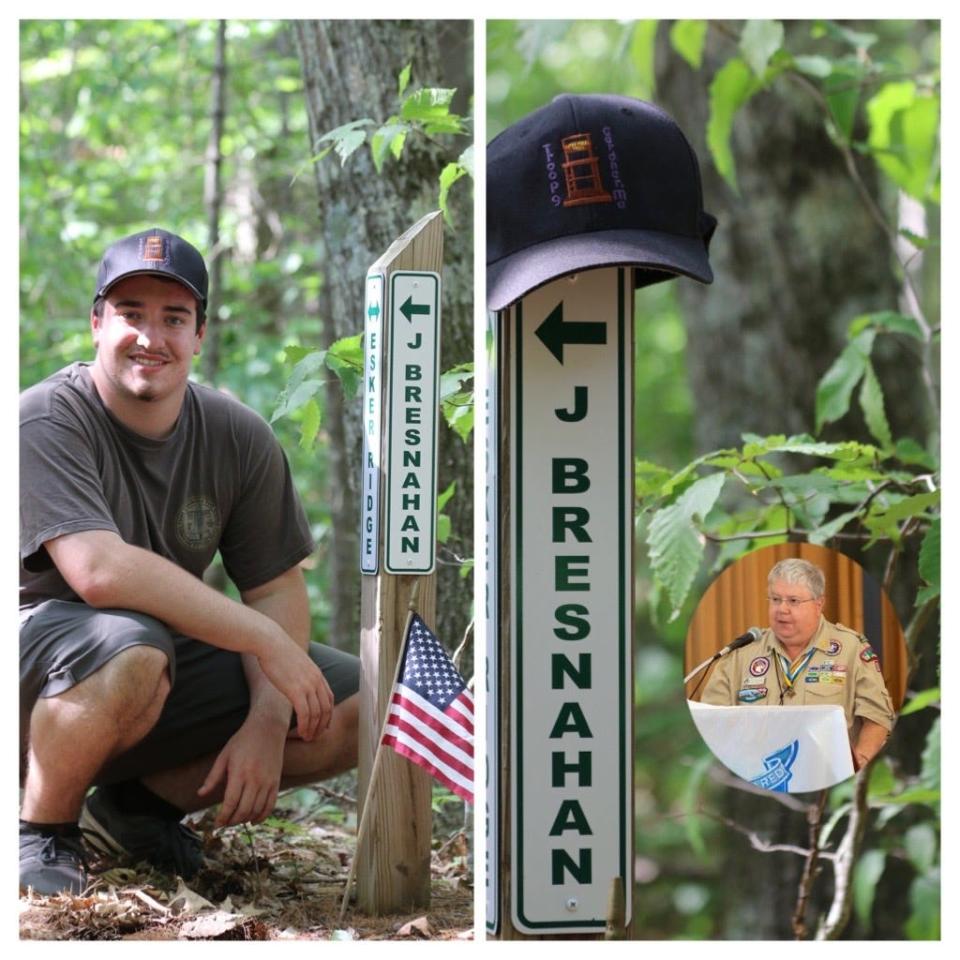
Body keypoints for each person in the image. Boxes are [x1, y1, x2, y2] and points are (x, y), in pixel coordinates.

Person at [19, 228, 360, 896]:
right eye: (131, 314)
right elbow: (99, 571)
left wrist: (268, 717)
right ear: (95, 323)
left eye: (174, 318)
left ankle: (134, 812)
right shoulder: (45, 418)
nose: (152, 336)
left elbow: (275, 592)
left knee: (361, 701)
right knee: (132, 647)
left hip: (144, 671)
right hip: (37, 666)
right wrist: (262, 642)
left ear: (199, 335)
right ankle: (42, 830)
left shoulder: (238, 436)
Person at [700, 558, 895, 771]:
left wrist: (859, 763)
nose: (781, 609)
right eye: (775, 599)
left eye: (793, 601)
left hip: (827, 777)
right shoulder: (740, 655)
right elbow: (712, 722)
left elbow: (878, 717)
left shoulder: (851, 648)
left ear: (818, 604)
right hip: (759, 776)